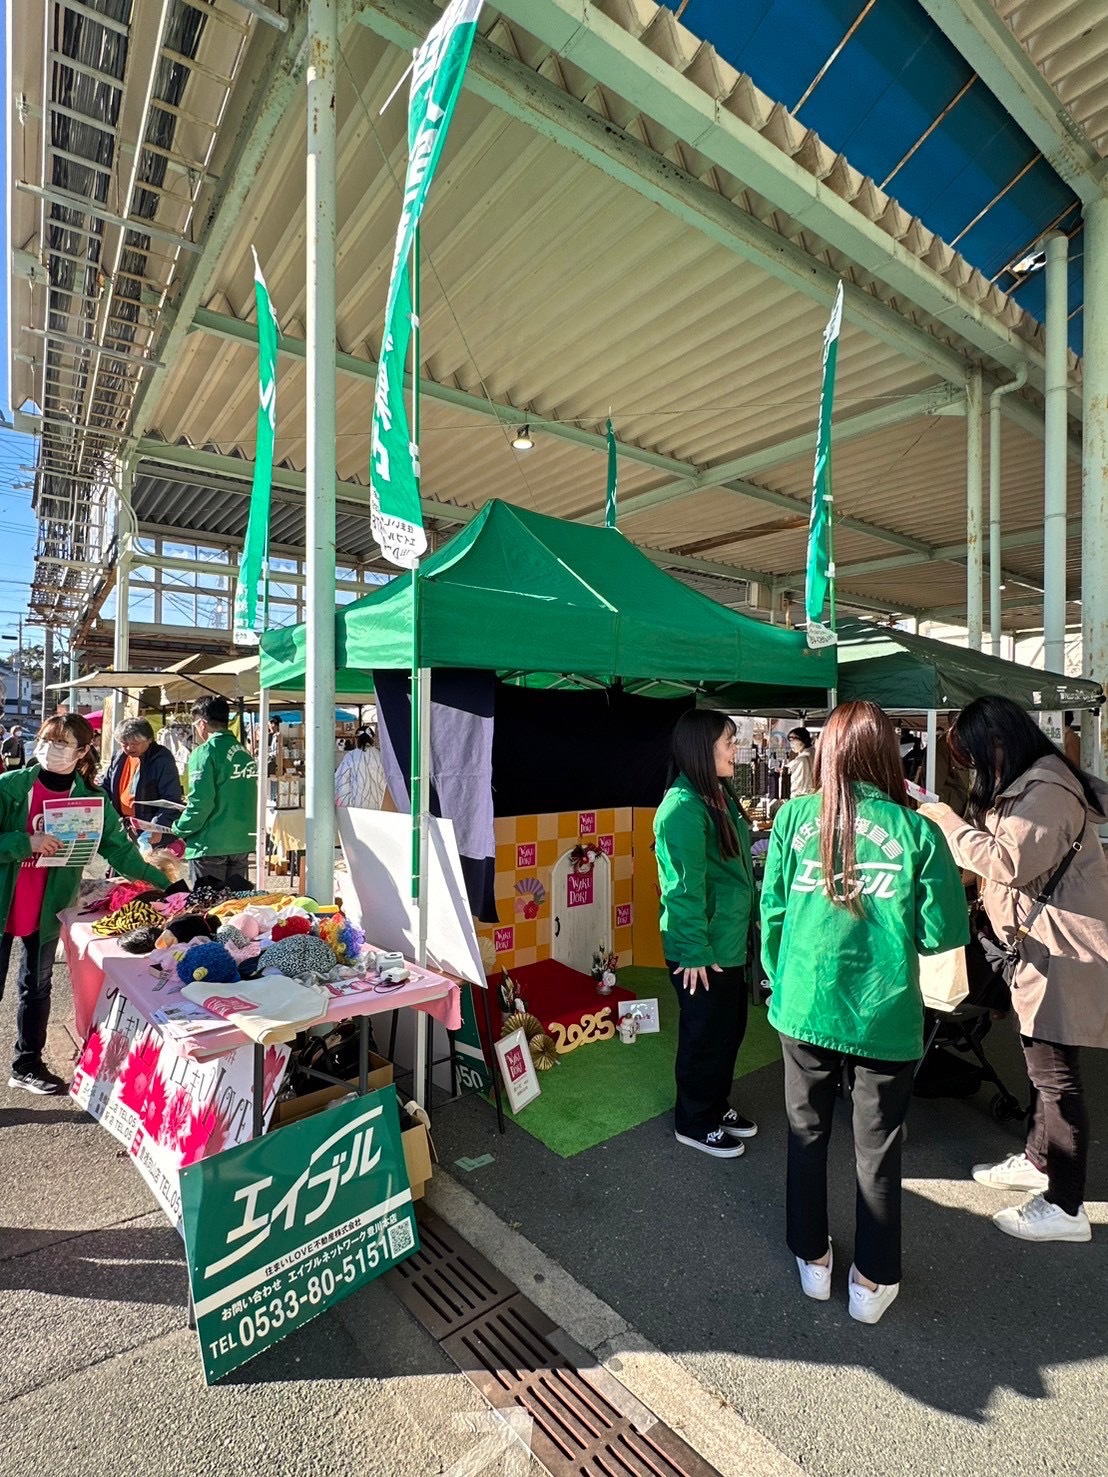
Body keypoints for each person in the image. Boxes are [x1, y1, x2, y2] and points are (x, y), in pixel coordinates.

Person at [761, 701, 967, 1324]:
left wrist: (779, 978)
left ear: (826, 753)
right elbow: (939, 935)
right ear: (888, 755)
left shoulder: (795, 817)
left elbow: (771, 915)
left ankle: (812, 1259)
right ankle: (872, 1282)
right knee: (877, 1147)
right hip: (883, 1012)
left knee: (806, 1134)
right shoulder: (919, 832)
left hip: (804, 1002)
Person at [920, 696, 1108, 1245]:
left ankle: (1065, 1206)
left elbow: (1007, 861)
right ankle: (1037, 1159)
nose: (976, 767)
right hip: (1042, 950)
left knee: (1057, 1079)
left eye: (976, 755)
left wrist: (947, 821)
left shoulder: (1046, 789)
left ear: (1000, 742)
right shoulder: (1037, 781)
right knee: (1041, 1071)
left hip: (1060, 955)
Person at [0, 714, 165, 1094]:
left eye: (62, 743)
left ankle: (27, 1064)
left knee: (37, 986)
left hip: (48, 905)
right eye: (46, 740)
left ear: (83, 750)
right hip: (6, 900)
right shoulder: (11, 787)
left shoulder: (90, 801)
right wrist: (24, 843)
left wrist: (167, 885)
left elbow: (121, 853)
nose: (51, 749)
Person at [653, 709, 757, 1159]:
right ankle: (693, 1120)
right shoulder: (680, 807)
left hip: (728, 940)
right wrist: (693, 950)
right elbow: (682, 889)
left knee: (729, 1030)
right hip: (702, 948)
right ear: (702, 748)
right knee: (704, 1036)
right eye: (728, 742)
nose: (736, 750)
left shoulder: (717, 793)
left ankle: (715, 1105)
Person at [151, 695, 258, 884]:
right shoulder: (243, 751)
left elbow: (200, 803)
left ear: (202, 723)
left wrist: (179, 828)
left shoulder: (205, 752)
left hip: (210, 843)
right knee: (234, 907)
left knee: (207, 908)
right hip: (241, 841)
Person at [102, 718, 183, 838]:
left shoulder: (161, 759)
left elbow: (171, 798)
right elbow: (106, 787)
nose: (129, 748)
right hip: (123, 825)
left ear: (149, 739)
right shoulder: (119, 757)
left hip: (149, 827)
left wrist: (158, 826)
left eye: (134, 743)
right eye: (124, 744)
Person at [334, 728, 387, 811]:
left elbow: (341, 781)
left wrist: (347, 802)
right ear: (373, 738)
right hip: (379, 804)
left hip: (357, 805)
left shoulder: (350, 756)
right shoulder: (381, 756)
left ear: (356, 739)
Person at [785, 727, 816, 798]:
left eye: (793, 739)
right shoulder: (815, 753)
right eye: (790, 740)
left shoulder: (801, 759)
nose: (791, 743)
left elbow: (797, 785)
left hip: (802, 797)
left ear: (803, 740)